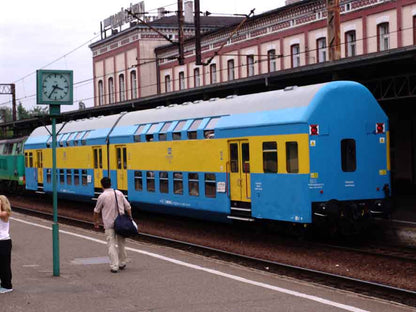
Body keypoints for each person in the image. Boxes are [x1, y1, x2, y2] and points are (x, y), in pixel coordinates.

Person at [93, 177, 132, 273]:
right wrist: (130, 218)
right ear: (111, 184)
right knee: (121, 243)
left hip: (109, 224)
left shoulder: (102, 196)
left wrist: (96, 222)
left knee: (111, 244)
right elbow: (128, 207)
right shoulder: (119, 193)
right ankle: (122, 262)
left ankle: (114, 266)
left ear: (102, 185)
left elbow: (96, 211)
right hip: (121, 223)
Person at [0, 195, 13, 293]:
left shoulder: (5, 213)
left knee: (4, 265)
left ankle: (7, 286)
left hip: (4, 242)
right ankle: (3, 283)